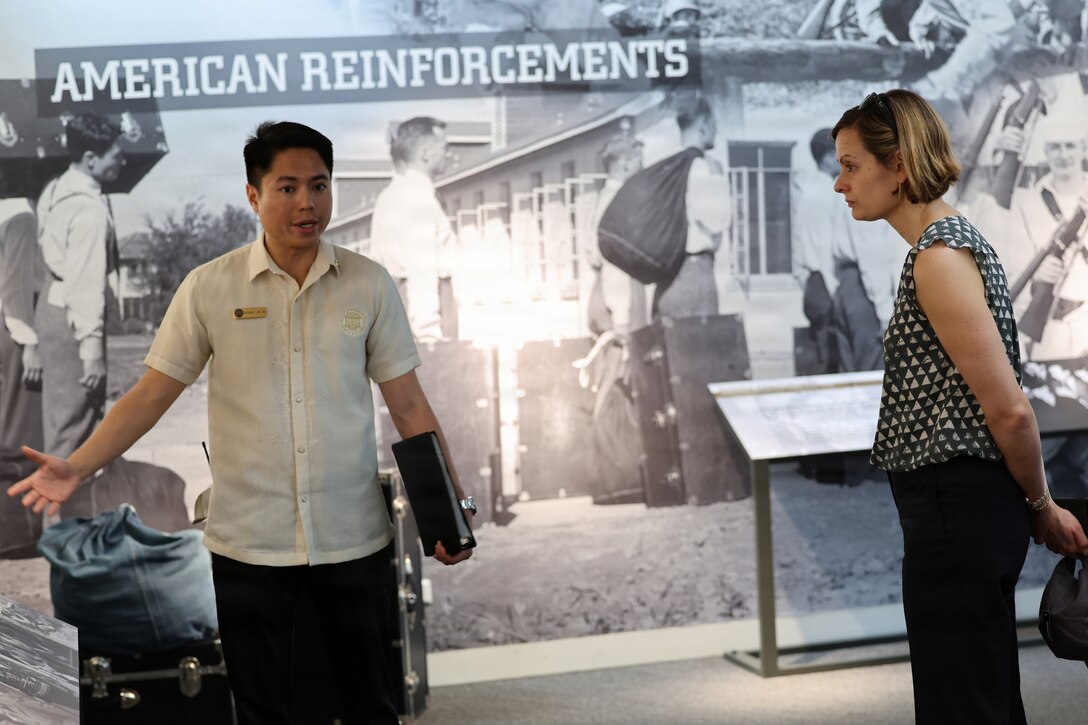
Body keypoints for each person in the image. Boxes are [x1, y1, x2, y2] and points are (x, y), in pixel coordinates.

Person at [7, 121, 475, 724]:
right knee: (261, 711)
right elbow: (151, 395)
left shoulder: (369, 284)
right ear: (254, 196)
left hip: (352, 540)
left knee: (371, 706)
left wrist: (449, 505)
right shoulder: (210, 288)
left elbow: (410, 406)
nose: (306, 203)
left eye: (319, 185)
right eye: (287, 187)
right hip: (249, 546)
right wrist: (76, 464)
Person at [832, 88, 1088, 724]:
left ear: (900, 164)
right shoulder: (945, 247)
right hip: (957, 507)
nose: (840, 184)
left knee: (962, 700)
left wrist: (1040, 504)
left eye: (851, 165)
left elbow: (1011, 412)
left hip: (957, 506)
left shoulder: (940, 257)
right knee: (978, 689)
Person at [34, 113, 124, 459]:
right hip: (73, 319)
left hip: (52, 307)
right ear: (90, 158)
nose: (122, 160)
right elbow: (85, 285)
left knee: (62, 428)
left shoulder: (56, 188)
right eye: (116, 155)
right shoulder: (88, 212)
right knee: (75, 435)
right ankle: (65, 513)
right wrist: (91, 355)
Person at [369, 116, 457, 342]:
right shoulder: (419, 198)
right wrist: (430, 336)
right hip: (423, 315)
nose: (450, 154)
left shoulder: (388, 196)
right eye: (445, 148)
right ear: (426, 152)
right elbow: (423, 269)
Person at [652, 96, 730, 319]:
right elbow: (717, 220)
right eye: (714, 124)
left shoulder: (669, 167)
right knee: (699, 351)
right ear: (704, 124)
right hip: (694, 275)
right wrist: (719, 178)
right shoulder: (701, 168)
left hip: (667, 277)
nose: (716, 130)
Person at [0, 199, 45, 453]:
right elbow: (16, 285)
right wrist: (29, 342)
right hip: (14, 327)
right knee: (21, 429)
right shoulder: (20, 214)